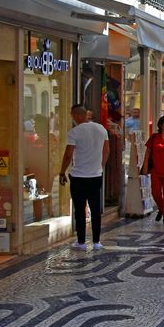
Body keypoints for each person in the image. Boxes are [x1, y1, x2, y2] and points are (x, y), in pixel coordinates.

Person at [58, 104, 110, 251]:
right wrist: (100, 166)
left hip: (78, 176)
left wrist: (62, 171)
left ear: (76, 115)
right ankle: (96, 241)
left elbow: (68, 154)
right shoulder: (101, 129)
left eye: (72, 116)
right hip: (96, 175)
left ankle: (81, 241)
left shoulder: (74, 132)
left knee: (80, 209)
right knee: (95, 208)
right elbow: (106, 150)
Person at [141, 115, 164, 225]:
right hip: (156, 170)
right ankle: (161, 209)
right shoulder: (154, 137)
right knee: (156, 193)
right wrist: (145, 167)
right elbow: (148, 152)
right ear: (160, 125)